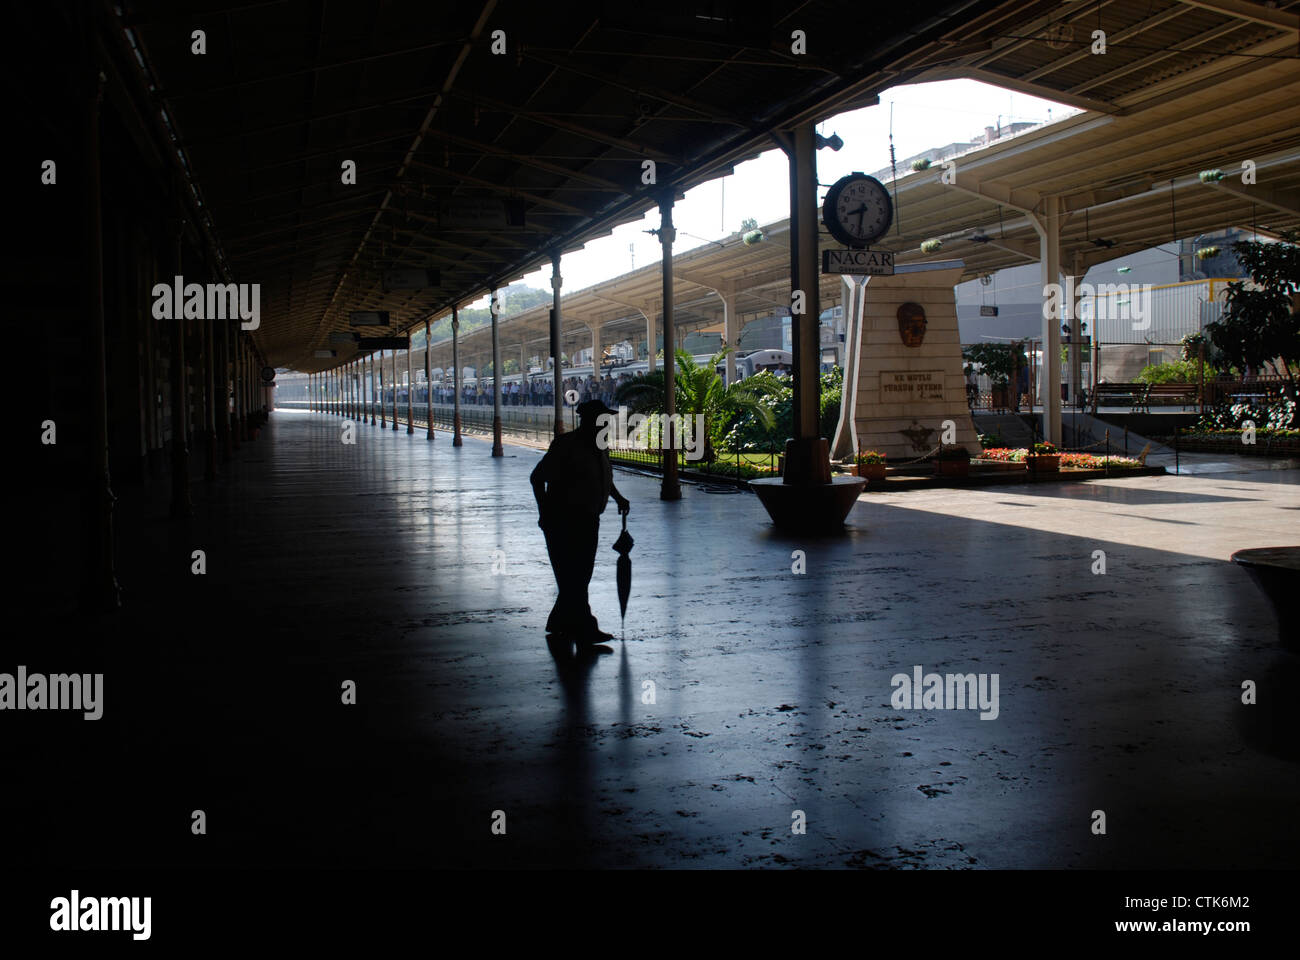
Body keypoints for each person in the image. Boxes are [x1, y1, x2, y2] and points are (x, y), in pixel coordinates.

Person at [530, 399, 630, 643]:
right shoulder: (566, 446)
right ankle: (585, 627)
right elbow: (537, 478)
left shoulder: (600, 446)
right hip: (565, 519)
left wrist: (617, 497)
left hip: (589, 517)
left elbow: (602, 475)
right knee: (576, 575)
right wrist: (545, 513)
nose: (606, 423)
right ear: (589, 421)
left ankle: (559, 621)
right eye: (602, 419)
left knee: (576, 575)